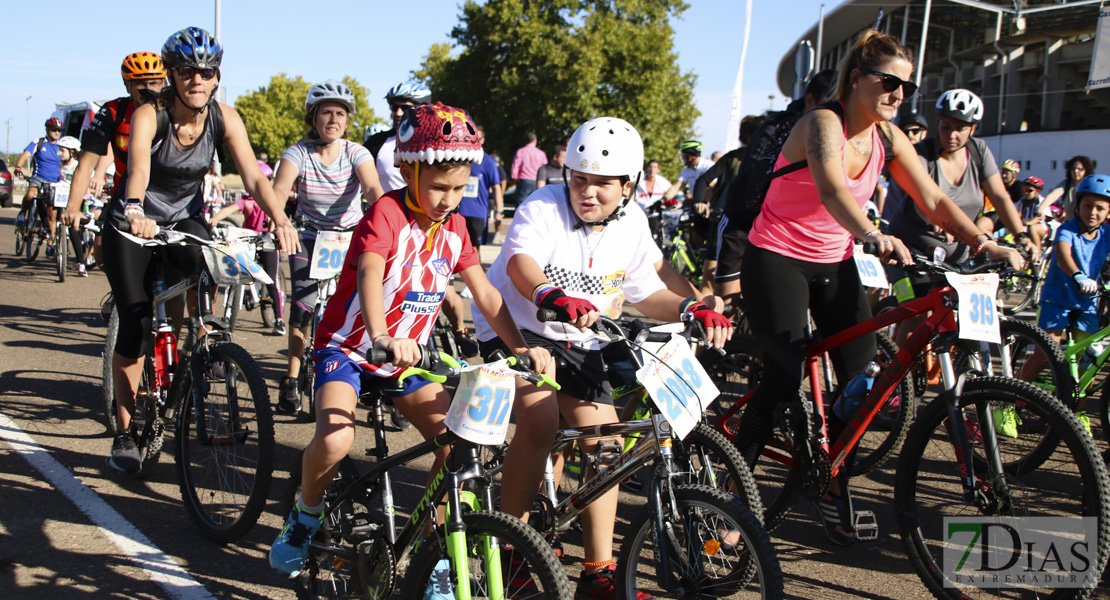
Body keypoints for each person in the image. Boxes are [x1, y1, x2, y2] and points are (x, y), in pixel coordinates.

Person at [734, 30, 1022, 547]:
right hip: (776, 257)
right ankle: (737, 493)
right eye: (887, 81)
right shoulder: (824, 122)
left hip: (833, 262)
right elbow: (831, 187)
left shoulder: (889, 137)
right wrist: (871, 234)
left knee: (865, 387)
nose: (897, 93)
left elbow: (932, 198)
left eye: (906, 87)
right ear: (856, 79)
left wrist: (982, 242)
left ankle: (823, 477)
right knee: (783, 378)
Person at [269, 103, 556, 581]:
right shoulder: (387, 211)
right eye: (440, 187)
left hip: (407, 358)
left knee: (457, 447)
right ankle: (305, 514)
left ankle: (437, 554)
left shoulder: (457, 227)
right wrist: (381, 334)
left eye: (461, 188)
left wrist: (520, 346)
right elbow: (370, 270)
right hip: (351, 348)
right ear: (407, 169)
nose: (449, 199)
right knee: (337, 438)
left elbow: (483, 291)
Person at [472, 116, 732, 598]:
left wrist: (690, 306)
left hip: (580, 341)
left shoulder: (633, 222)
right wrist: (550, 295)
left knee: (605, 448)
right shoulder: (542, 205)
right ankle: (511, 553)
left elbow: (647, 291)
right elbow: (519, 263)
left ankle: (599, 572)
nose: (587, 192)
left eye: (602, 184)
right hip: (519, 329)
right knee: (540, 419)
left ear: (628, 186)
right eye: (579, 178)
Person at [102, 26, 299, 472]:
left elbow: (253, 178)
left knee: (206, 259)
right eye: (188, 70)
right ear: (172, 74)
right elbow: (137, 169)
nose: (198, 79)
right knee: (134, 321)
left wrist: (281, 220)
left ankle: (201, 340)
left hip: (181, 221)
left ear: (216, 76)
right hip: (132, 224)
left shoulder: (224, 117)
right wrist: (134, 207)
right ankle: (127, 431)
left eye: (207, 71)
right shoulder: (151, 115)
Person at [272, 80, 384, 415]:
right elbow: (279, 190)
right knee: (304, 306)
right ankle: (292, 377)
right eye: (326, 113)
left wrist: (382, 221)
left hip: (348, 238)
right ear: (314, 118)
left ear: (348, 120)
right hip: (308, 236)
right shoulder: (299, 152)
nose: (333, 120)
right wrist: (280, 220)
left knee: (360, 303)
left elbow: (373, 188)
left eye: (340, 114)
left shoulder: (356, 152)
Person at [884, 88, 1035, 329]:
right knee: (916, 314)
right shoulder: (921, 154)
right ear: (938, 123)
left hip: (955, 256)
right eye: (946, 126)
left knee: (955, 322)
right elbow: (929, 202)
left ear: (973, 129)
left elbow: (1000, 197)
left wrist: (1022, 235)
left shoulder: (978, 152)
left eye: (960, 128)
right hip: (908, 252)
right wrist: (942, 224)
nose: (951, 134)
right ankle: (899, 366)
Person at [716, 71, 839, 308]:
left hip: (790, 231)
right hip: (744, 221)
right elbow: (755, 180)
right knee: (725, 311)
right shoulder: (776, 128)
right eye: (830, 107)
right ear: (811, 101)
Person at [63, 51, 167, 262]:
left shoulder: (175, 111)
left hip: (168, 201)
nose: (149, 89)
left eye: (155, 82)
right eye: (140, 83)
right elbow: (85, 164)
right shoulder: (113, 111)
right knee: (101, 254)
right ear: (127, 85)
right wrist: (73, 207)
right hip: (125, 199)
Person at [1026, 174, 1110, 434]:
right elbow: (1063, 255)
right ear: (1077, 205)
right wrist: (1077, 275)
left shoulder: (1107, 232)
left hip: (1086, 303)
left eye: (1100, 208)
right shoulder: (1067, 229)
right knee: (1045, 352)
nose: (1092, 213)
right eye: (1087, 206)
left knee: (1091, 361)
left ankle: (1077, 413)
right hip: (1057, 299)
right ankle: (1007, 403)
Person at [208, 194, 285, 334]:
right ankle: (228, 313)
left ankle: (279, 320)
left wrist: (272, 228)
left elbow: (277, 215)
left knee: (272, 281)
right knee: (236, 269)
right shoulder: (246, 201)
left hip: (267, 241)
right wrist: (215, 219)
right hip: (248, 239)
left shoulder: (270, 199)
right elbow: (230, 209)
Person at [456, 124, 504, 300]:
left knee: (473, 248)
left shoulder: (488, 162)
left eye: (478, 138)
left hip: (477, 212)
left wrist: (499, 210)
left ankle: (472, 286)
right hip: (456, 211)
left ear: (482, 140)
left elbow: (496, 188)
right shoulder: (460, 157)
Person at [364, 80, 432, 194]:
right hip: (388, 210)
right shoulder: (377, 142)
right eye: (394, 107)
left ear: (423, 108)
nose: (398, 113)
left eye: (405, 108)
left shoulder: (436, 141)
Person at [14, 118, 64, 247]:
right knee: (30, 194)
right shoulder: (40, 142)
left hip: (55, 182)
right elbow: (26, 155)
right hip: (38, 177)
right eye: (54, 130)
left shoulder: (62, 145)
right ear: (47, 129)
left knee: (52, 214)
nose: (56, 132)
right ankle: (22, 213)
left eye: (59, 130)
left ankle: (51, 243)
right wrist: (18, 167)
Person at [1041, 156, 1094, 224]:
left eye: (1079, 169)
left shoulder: (1091, 185)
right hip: (1069, 223)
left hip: (1086, 225)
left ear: (1086, 170)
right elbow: (1053, 195)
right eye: (1073, 169)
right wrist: (1041, 209)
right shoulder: (1066, 184)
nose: (1076, 171)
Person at [510, 132, 546, 202]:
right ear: (535, 140)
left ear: (525, 141)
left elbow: (515, 169)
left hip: (524, 181)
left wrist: (515, 180)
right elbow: (545, 169)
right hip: (537, 182)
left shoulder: (520, 151)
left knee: (521, 204)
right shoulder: (541, 154)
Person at [1016, 175, 1048, 248]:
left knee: (1032, 228)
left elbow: (1040, 217)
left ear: (1037, 191)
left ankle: (1038, 251)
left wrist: (1029, 223)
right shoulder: (1022, 201)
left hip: (1042, 228)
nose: (1026, 193)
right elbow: (1018, 213)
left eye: (1029, 191)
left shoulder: (1041, 201)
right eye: (1025, 190)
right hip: (1026, 227)